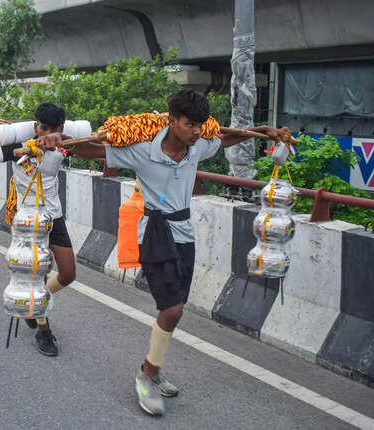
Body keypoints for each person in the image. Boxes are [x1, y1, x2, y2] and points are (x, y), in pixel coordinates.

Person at [37, 89, 290, 415]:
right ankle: (147, 376)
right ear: (171, 121)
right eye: (190, 125)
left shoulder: (196, 147)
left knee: (175, 309)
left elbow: (224, 138)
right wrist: (61, 140)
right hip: (154, 233)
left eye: (200, 125)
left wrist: (259, 132)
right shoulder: (143, 150)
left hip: (185, 235)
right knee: (172, 310)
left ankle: (151, 368)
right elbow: (96, 151)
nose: (197, 131)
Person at [0, 102, 76, 356]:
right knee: (35, 274)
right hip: (28, 221)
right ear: (36, 126)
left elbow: (92, 149)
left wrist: (62, 139)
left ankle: (32, 300)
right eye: (42, 128)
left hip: (54, 217)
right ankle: (43, 330)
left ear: (60, 129)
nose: (45, 133)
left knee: (68, 273)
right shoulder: (17, 147)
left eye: (53, 129)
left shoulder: (64, 146)